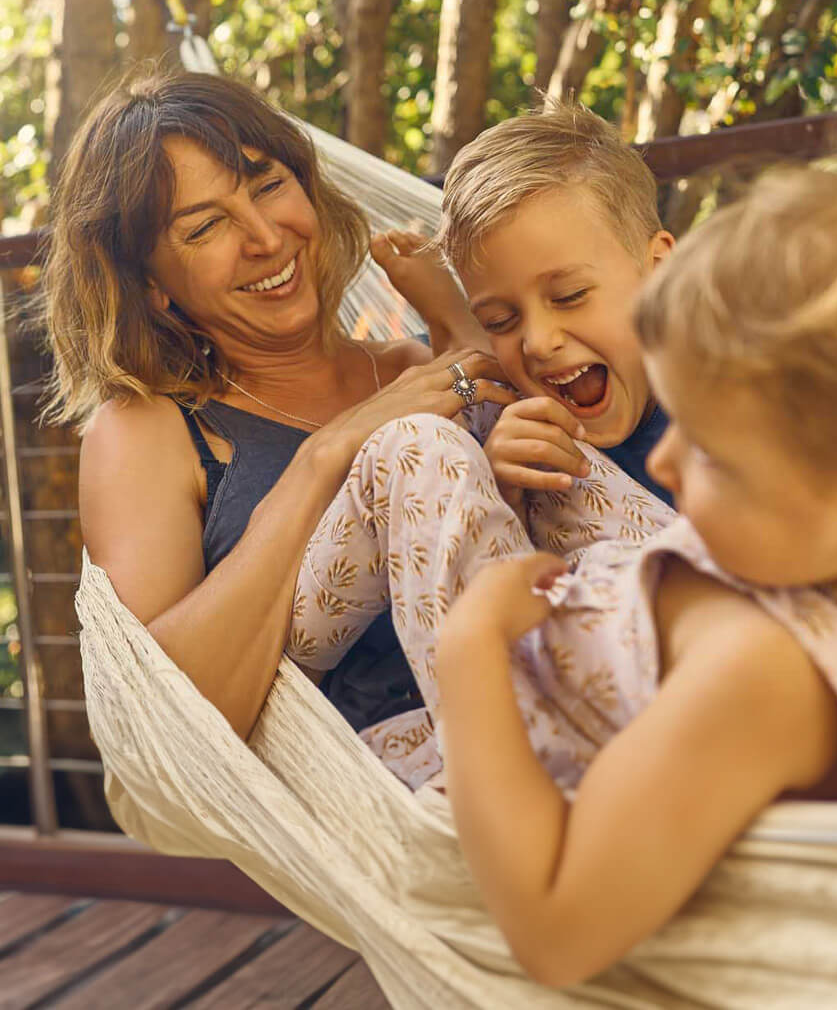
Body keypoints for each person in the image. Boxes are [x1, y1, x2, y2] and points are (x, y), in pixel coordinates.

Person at [292, 129, 837, 985]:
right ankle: (269, 677)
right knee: (467, 444)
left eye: (713, 452)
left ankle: (279, 662)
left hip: (508, 730)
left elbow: (555, 933)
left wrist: (471, 655)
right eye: (502, 321)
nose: (667, 463)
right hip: (605, 603)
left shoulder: (754, 682)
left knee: (414, 451)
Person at [41, 68, 512, 746]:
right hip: (376, 792)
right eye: (206, 227)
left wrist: (456, 326)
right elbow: (167, 726)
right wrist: (326, 457)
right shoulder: (151, 429)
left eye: (269, 186)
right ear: (151, 286)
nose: (265, 237)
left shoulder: (416, 368)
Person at [391, 100, 677, 507]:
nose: (538, 343)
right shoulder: (510, 425)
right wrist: (500, 490)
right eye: (500, 321)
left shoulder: (749, 406)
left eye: (569, 296)